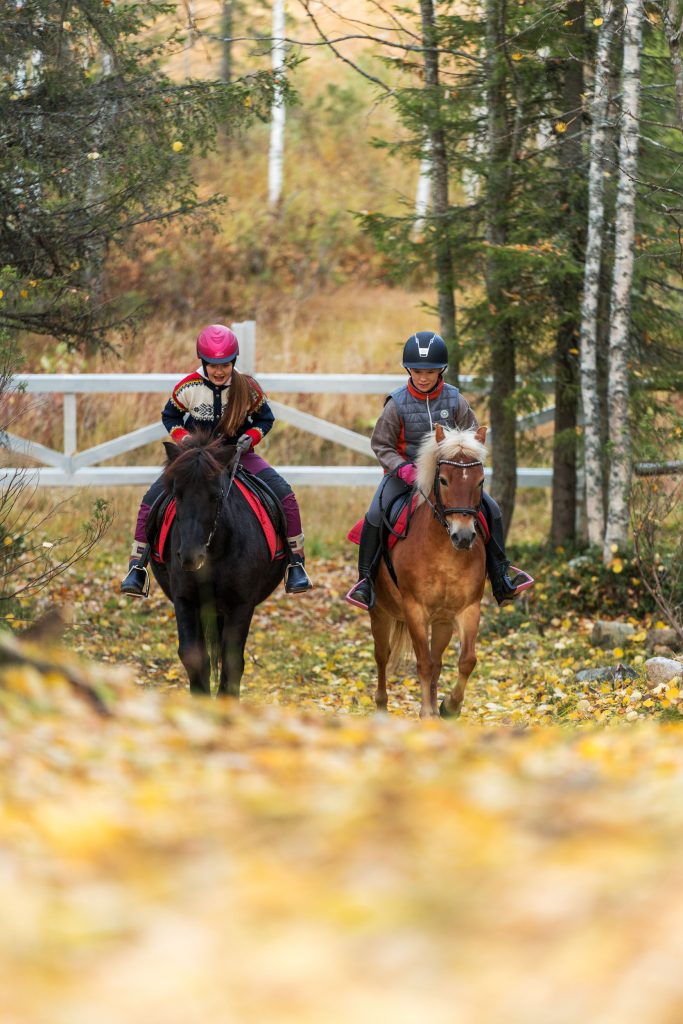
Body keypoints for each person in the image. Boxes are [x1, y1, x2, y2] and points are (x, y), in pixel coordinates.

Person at [346, 330, 534, 610]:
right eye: (417, 371)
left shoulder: (455, 400)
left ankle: (501, 573)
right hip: (405, 475)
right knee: (376, 513)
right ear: (408, 370)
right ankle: (365, 582)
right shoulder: (396, 404)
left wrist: (464, 462)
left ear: (441, 370)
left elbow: (471, 437)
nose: (423, 377)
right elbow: (381, 444)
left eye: (430, 371)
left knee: (491, 509)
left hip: (451, 477)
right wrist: (402, 469)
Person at [120, 324, 312, 597]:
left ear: (233, 362)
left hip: (238, 455)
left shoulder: (247, 388)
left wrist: (250, 438)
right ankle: (137, 566)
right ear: (203, 362)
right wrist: (184, 440)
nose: (219, 371)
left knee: (285, 495)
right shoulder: (188, 387)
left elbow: (265, 419)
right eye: (212, 365)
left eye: (225, 364)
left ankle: (296, 563)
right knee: (151, 499)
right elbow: (170, 417)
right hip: (197, 459)